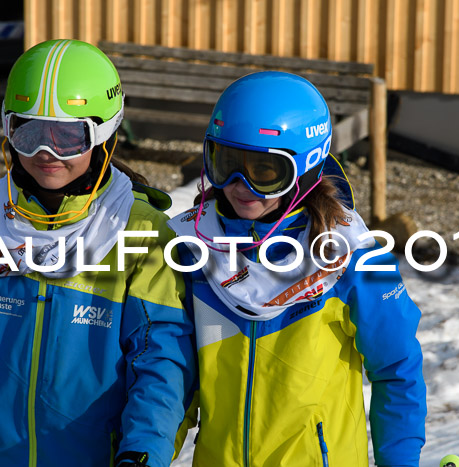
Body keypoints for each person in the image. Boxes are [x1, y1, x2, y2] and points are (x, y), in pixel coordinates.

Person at [0, 39, 195, 467]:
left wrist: (142, 456)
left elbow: (160, 366)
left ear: (104, 133)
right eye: (28, 133)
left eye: (67, 137)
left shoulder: (140, 234)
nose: (45, 153)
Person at [168, 71, 427, 466]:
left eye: (264, 171)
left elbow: (396, 368)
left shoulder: (350, 258)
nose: (240, 185)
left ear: (304, 169)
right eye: (226, 163)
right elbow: (174, 381)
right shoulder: (192, 251)